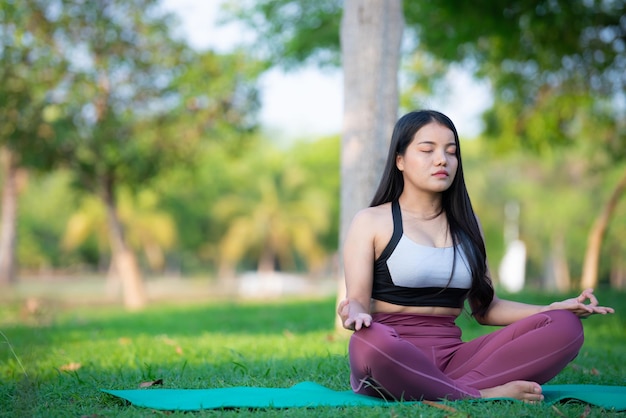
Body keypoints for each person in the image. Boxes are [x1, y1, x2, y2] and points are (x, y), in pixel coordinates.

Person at [337, 109, 614, 403]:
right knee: (369, 342)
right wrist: (353, 311)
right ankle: (482, 394)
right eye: (427, 150)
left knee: (565, 326)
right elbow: (357, 299)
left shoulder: (469, 224)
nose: (442, 159)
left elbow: (485, 308)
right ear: (400, 160)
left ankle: (447, 388)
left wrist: (551, 308)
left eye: (451, 151)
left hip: (457, 362)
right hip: (392, 353)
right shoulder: (372, 221)